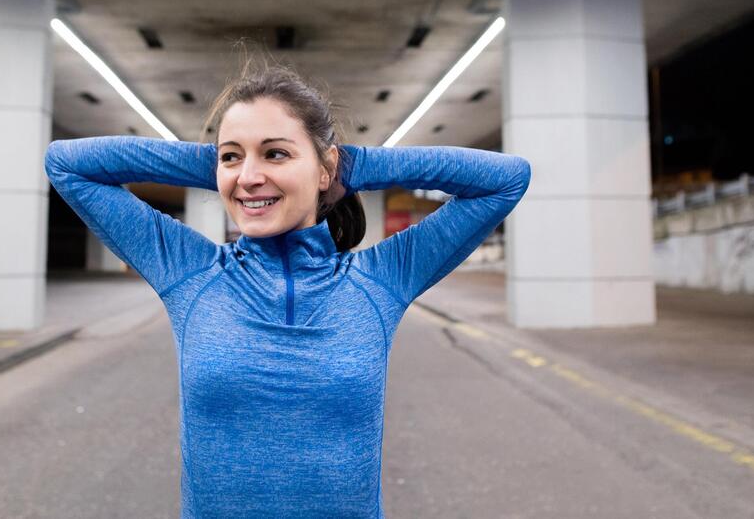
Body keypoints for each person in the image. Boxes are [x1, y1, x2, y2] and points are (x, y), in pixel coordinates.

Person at [44, 46, 532, 518]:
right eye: (232, 157)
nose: (250, 176)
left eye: (276, 154)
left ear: (325, 170)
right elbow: (67, 164)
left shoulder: (381, 279)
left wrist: (353, 167)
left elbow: (507, 178)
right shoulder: (190, 273)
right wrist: (223, 163)